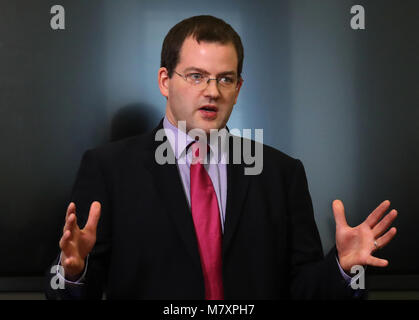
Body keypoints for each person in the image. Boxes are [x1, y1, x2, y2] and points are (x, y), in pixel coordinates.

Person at [45, 15, 397, 300]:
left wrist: (342, 268)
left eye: (225, 79)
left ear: (238, 88)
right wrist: (73, 273)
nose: (212, 91)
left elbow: (303, 290)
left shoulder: (281, 173)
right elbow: (75, 293)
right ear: (165, 81)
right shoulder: (108, 169)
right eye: (196, 76)